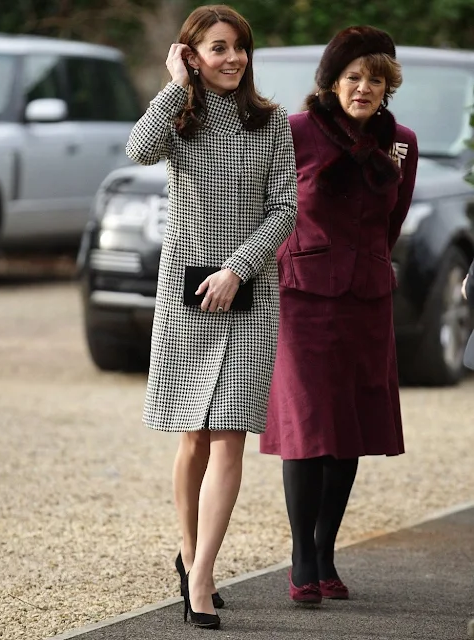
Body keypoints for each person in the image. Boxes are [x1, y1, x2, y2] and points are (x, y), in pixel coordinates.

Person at [126, 4, 297, 629]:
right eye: (218, 48)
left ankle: (201, 575)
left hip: (248, 293)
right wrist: (175, 87)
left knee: (230, 433)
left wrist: (238, 268)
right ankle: (189, 550)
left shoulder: (271, 121)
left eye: (240, 47)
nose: (233, 58)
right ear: (191, 55)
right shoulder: (178, 116)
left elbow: (286, 208)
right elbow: (139, 150)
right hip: (185, 295)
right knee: (192, 433)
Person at [260, 26, 418, 603]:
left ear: (387, 87)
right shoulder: (294, 131)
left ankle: (327, 553)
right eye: (353, 77)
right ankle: (302, 560)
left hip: (368, 300)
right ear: (332, 82)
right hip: (304, 296)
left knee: (347, 429)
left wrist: (368, 260)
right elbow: (271, 203)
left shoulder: (401, 142)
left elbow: (392, 219)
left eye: (375, 79)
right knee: (309, 429)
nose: (364, 88)